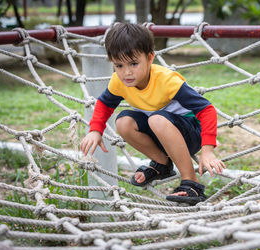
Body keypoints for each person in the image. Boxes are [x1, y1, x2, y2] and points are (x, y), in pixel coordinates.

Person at [80, 23, 225, 205]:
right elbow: (104, 104)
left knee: (156, 119)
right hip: (161, 133)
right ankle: (161, 164)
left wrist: (208, 150)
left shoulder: (166, 81)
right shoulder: (119, 81)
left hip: (190, 133)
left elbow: (207, 110)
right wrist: (95, 130)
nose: (127, 72)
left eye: (133, 63)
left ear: (150, 58)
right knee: (123, 122)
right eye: (119, 65)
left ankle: (191, 183)